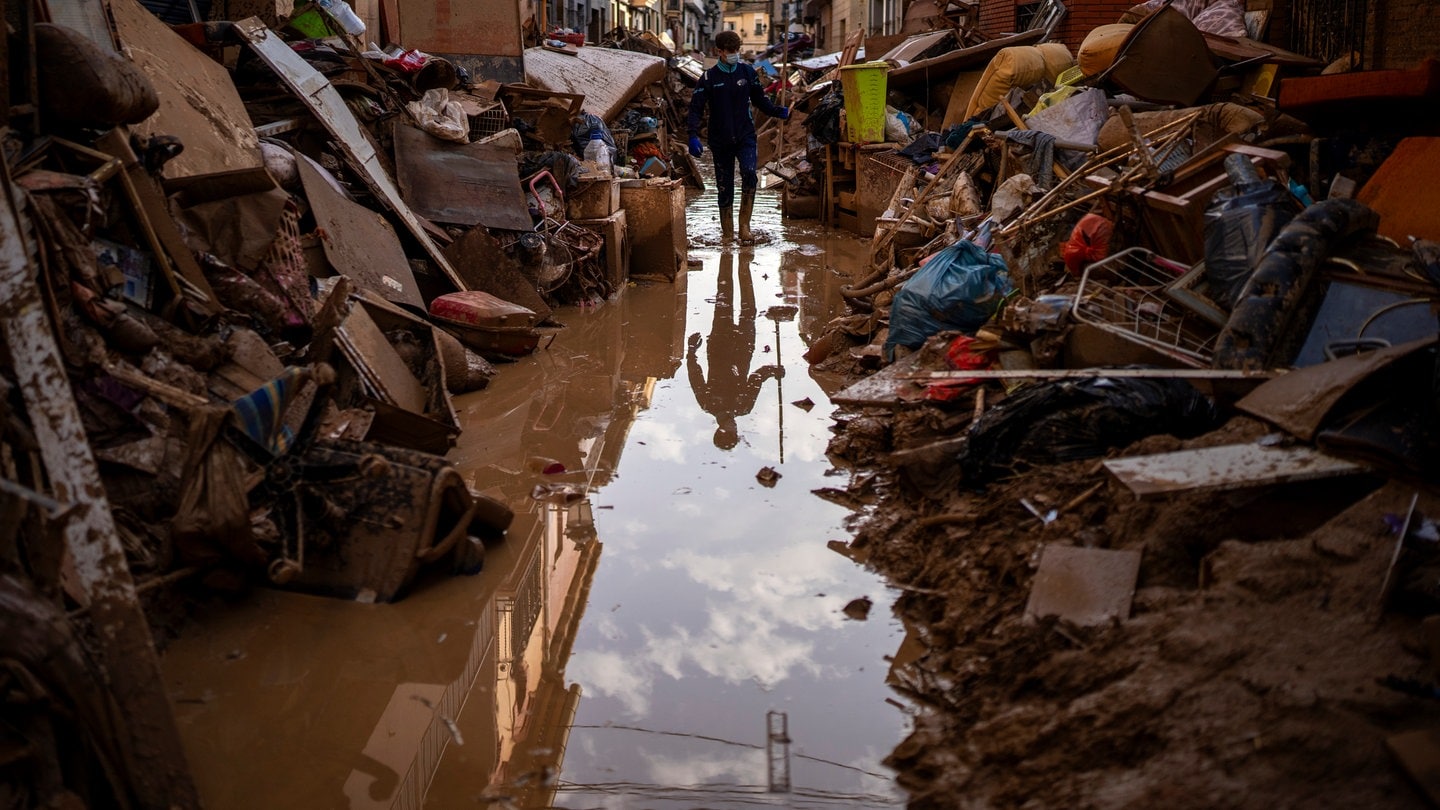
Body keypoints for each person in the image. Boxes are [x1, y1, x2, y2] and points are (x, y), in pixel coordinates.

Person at [687, 30, 790, 243]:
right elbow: (695, 108)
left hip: (745, 135)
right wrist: (692, 135)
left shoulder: (747, 72)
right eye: (730, 51)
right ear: (719, 52)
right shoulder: (709, 78)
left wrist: (777, 110)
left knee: (750, 172)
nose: (734, 54)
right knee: (724, 185)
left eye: (736, 50)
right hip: (720, 139)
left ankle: (744, 227)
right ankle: (727, 233)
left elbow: (760, 100)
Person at [687, 251, 783, 449]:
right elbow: (756, 378)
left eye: (732, 431)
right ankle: (744, 265)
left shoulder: (709, 404)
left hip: (720, 345)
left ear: (721, 430)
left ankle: (727, 256)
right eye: (735, 431)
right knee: (748, 309)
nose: (734, 427)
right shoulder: (743, 407)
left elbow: (695, 375)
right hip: (742, 348)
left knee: (724, 298)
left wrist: (691, 352)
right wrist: (772, 370)